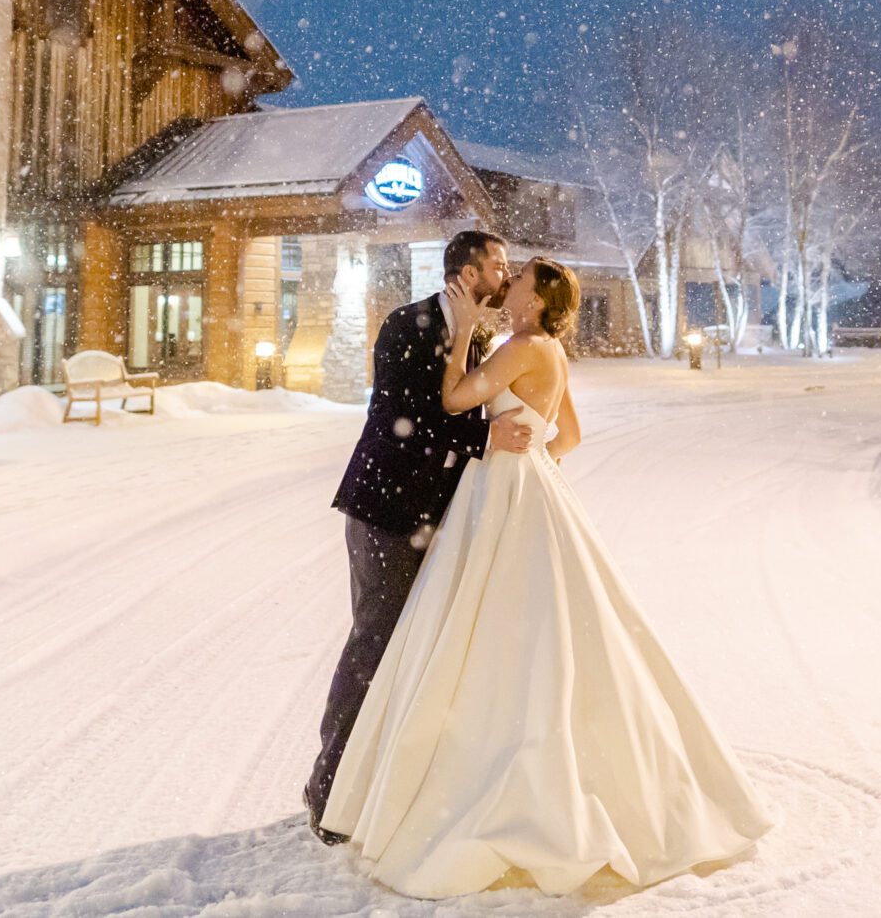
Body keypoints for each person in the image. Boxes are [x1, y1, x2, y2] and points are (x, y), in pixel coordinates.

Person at [320, 257, 774, 898]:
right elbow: (571, 434)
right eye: (506, 271)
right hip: (528, 487)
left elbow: (453, 399)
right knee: (538, 626)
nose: (511, 283)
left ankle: (477, 774)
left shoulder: (517, 343)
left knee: (483, 627)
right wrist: (531, 455)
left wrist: (461, 344)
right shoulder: (549, 348)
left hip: (502, 491)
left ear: (536, 300)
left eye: (521, 278)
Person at [304, 229, 532, 836]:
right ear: (466, 271)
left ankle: (386, 791)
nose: (506, 275)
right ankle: (328, 794)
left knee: (420, 650)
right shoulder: (409, 324)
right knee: (374, 647)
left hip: (437, 518)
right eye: (498, 266)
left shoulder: (476, 334)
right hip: (385, 513)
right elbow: (406, 419)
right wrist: (486, 440)